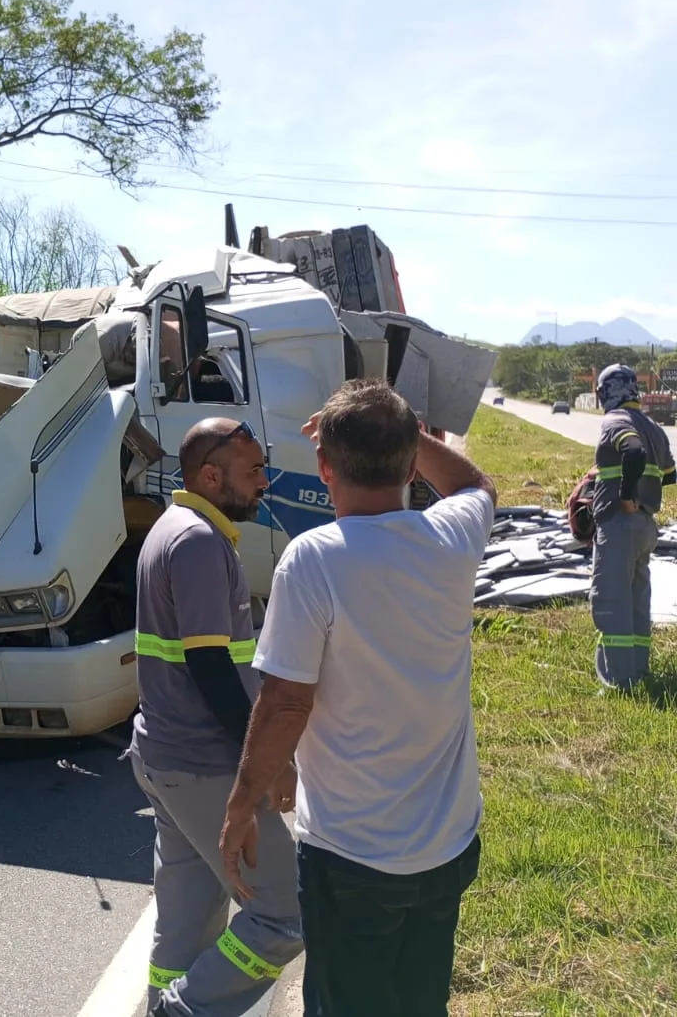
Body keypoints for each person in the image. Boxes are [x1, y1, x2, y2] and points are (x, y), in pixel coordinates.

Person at [219, 379, 495, 1017]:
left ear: (323, 466)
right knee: (419, 1001)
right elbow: (476, 487)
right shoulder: (452, 540)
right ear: (409, 464)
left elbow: (287, 703)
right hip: (447, 845)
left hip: (352, 856)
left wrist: (239, 807)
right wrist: (410, 434)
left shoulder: (314, 560)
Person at [126, 417, 304, 1017]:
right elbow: (210, 668)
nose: (264, 484)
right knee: (285, 912)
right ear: (210, 474)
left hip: (165, 758)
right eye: (253, 472)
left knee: (188, 921)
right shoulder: (199, 542)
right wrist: (267, 761)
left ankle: (166, 1001)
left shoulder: (171, 529)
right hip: (204, 766)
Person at [588, 364, 675, 691]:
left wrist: (626, 496)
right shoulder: (653, 425)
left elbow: (634, 452)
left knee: (611, 600)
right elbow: (669, 473)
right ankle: (640, 670)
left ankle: (618, 681)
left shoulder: (616, 421)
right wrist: (644, 494)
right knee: (638, 598)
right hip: (645, 526)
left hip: (620, 524)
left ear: (605, 393)